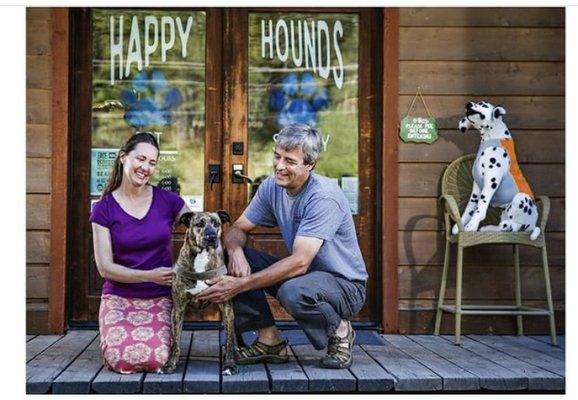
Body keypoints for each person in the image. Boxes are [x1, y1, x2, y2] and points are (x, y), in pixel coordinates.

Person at [197, 123, 367, 369]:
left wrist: (240, 284)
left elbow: (300, 262)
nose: (279, 166)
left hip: (344, 286)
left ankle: (340, 331)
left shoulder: (323, 196)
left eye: (289, 161)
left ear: (310, 165)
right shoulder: (271, 186)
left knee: (292, 291)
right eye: (277, 156)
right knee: (224, 254)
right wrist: (235, 253)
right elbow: (238, 228)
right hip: (305, 277)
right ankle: (270, 342)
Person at [90, 132, 188, 374]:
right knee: (121, 359)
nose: (145, 167)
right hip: (119, 297)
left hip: (159, 297)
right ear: (123, 157)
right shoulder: (103, 209)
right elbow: (105, 268)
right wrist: (150, 275)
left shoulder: (169, 201)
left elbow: (202, 226)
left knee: (156, 358)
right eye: (140, 159)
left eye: (152, 163)